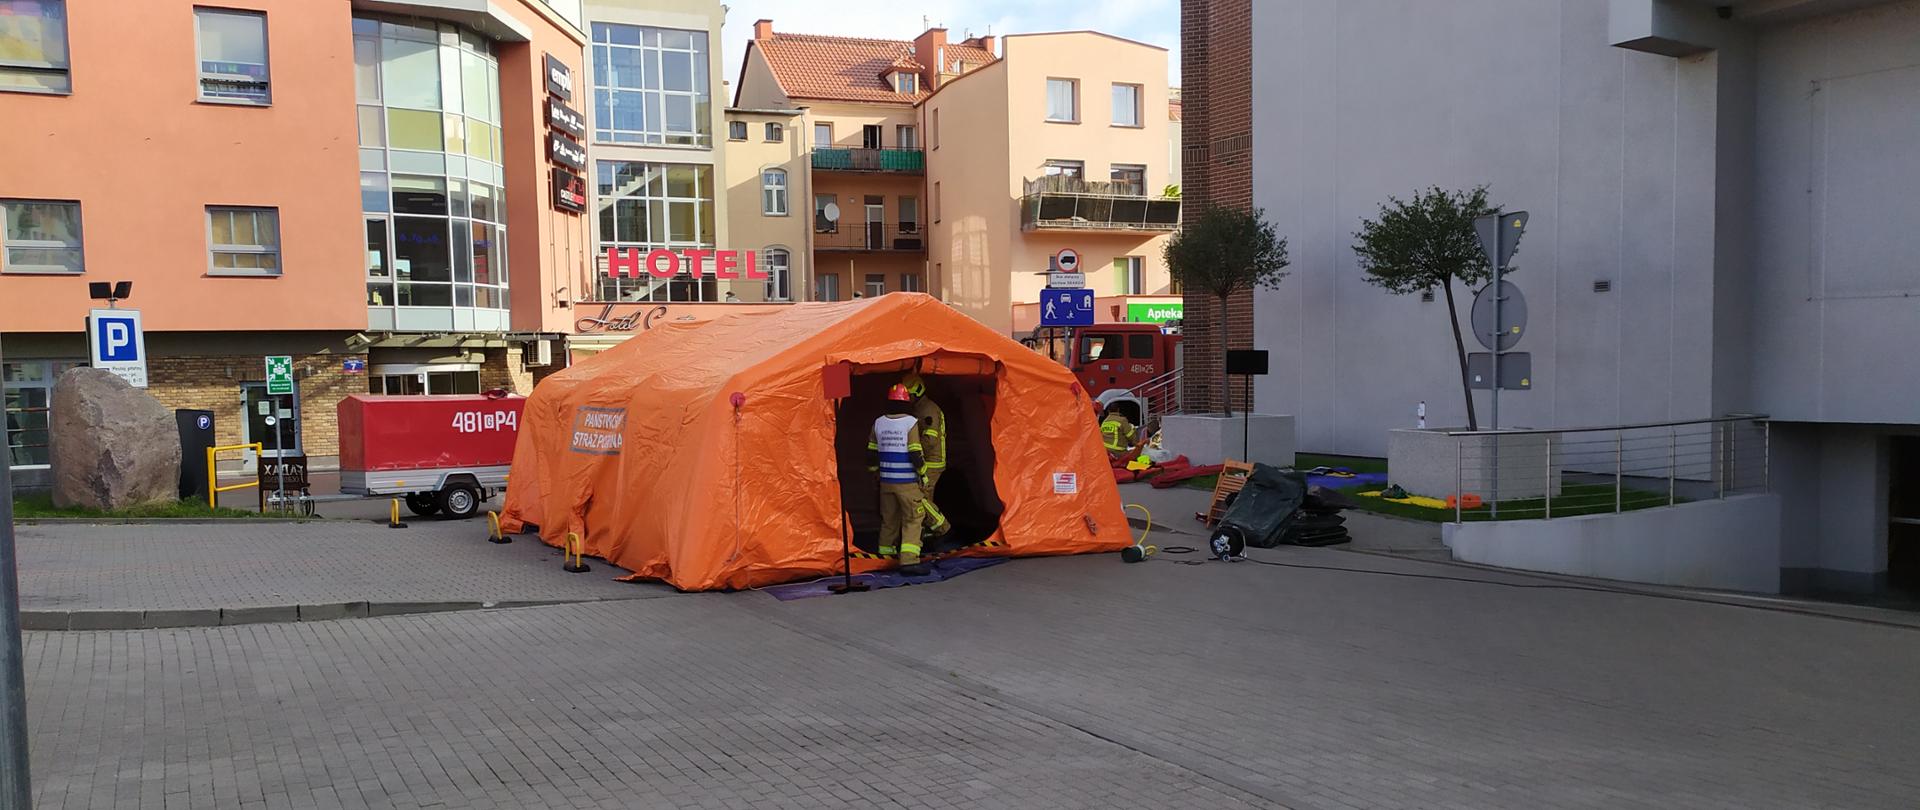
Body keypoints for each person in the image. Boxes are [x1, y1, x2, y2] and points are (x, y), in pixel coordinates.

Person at [868, 384, 931, 575]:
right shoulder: (910, 422)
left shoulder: (878, 422)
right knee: (914, 518)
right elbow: (915, 452)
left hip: (886, 482)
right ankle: (909, 562)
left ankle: (884, 557)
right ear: (907, 402)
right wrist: (923, 473)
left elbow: (871, 454)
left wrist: (874, 473)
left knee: (889, 520)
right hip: (907, 483)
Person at [900, 373, 951, 537]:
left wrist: (913, 453)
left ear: (918, 392)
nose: (906, 399)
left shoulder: (928, 410)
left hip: (932, 462)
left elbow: (930, 440)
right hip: (925, 461)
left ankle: (942, 527)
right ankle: (922, 530)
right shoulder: (918, 409)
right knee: (925, 497)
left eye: (909, 395)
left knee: (918, 496)